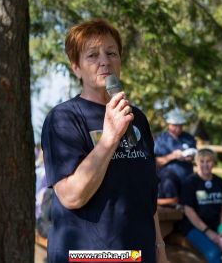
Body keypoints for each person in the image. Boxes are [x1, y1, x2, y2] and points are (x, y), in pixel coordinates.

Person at [41, 19, 168, 262]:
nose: (104, 61)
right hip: (88, 255)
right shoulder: (63, 118)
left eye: (111, 53)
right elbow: (71, 196)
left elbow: (147, 194)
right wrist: (109, 137)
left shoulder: (136, 118)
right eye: (92, 55)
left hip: (136, 254)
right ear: (76, 67)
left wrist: (159, 248)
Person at [178, 148, 222, 263]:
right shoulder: (190, 182)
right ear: (196, 163)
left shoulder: (219, 181)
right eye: (201, 161)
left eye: (208, 161)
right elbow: (189, 211)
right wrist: (208, 232)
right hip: (194, 228)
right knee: (214, 254)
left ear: (214, 163)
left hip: (216, 227)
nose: (205, 165)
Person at [154, 109, 197, 205]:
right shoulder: (160, 139)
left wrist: (188, 158)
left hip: (187, 178)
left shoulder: (189, 138)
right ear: (169, 125)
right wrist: (172, 156)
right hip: (167, 183)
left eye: (180, 125)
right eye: (175, 125)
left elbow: (195, 157)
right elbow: (155, 161)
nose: (178, 128)